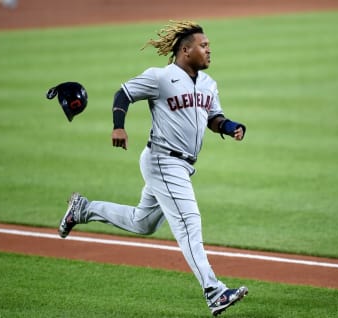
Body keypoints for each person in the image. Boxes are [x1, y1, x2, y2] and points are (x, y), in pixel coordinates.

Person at [58, 20, 248, 316]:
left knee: (142, 222)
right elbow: (123, 93)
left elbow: (214, 118)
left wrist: (231, 126)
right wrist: (118, 127)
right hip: (163, 160)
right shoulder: (161, 77)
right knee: (189, 222)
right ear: (186, 51)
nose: (210, 50)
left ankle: (84, 209)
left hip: (182, 166)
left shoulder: (209, 84)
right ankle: (214, 291)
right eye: (204, 45)